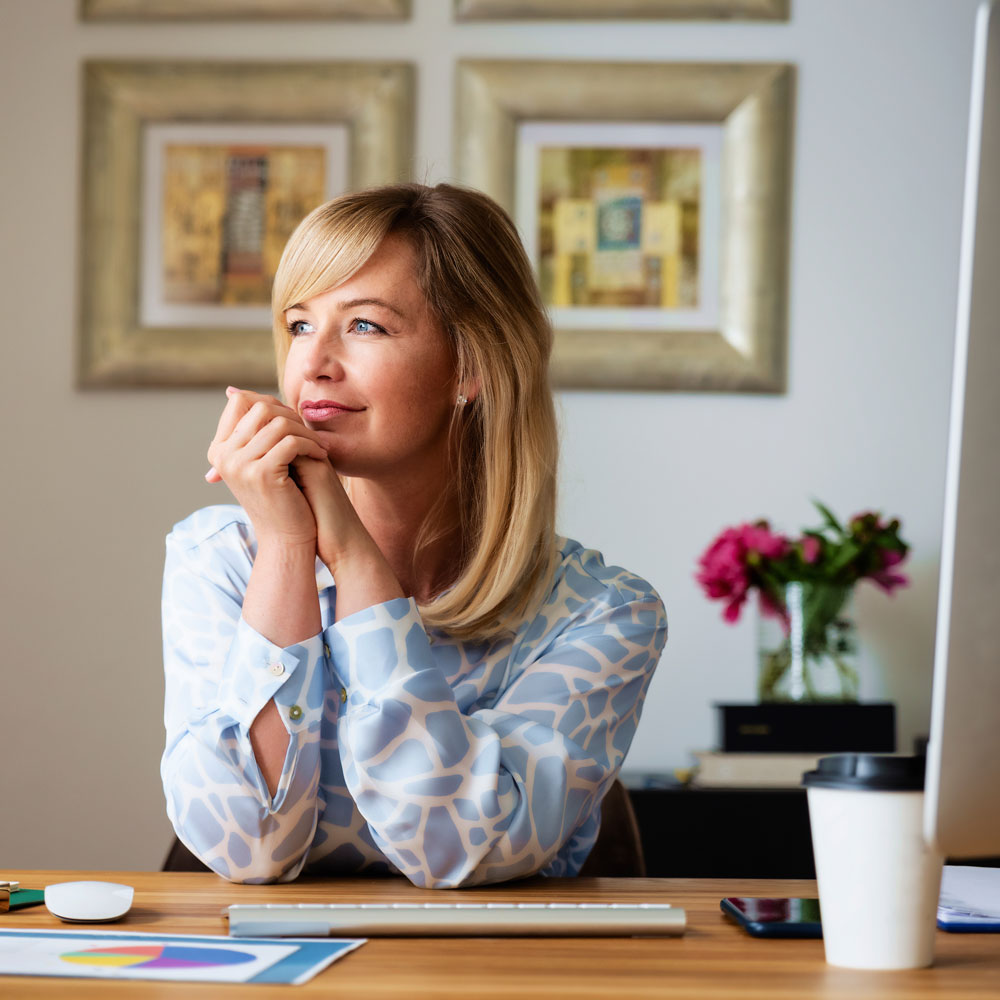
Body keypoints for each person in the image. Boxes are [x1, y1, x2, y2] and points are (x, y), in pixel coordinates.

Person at [161, 183, 667, 887]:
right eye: (301, 324)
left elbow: (458, 847)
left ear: (474, 366)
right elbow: (247, 847)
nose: (312, 364)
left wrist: (357, 565)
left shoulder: (603, 614)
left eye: (364, 326)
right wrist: (286, 549)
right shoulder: (217, 559)